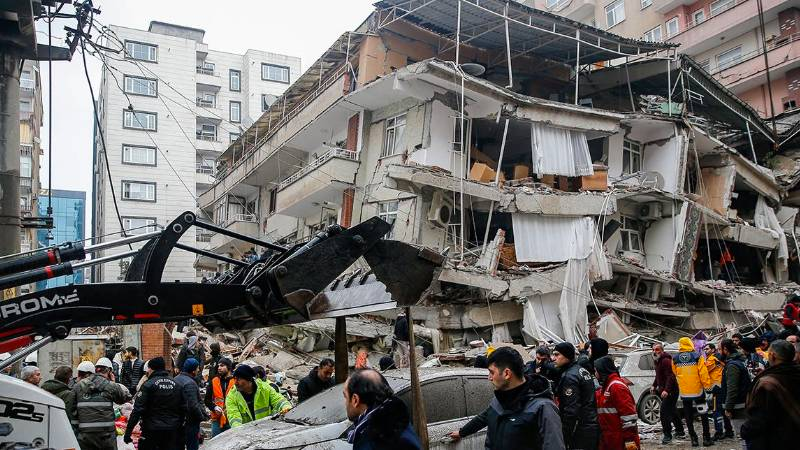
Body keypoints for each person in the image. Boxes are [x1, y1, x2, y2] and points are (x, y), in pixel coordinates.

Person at [449, 347, 564, 450]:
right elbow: (483, 418)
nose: (489, 378)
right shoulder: (500, 399)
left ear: (507, 373)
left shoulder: (543, 408)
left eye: (491, 372)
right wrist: (461, 432)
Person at [740, 340, 800, 450]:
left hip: (774, 440)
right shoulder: (794, 373)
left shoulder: (768, 383)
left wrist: (745, 430)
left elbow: (760, 418)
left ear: (772, 355)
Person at [344, 369, 422, 450]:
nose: (345, 403)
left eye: (345, 397)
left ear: (355, 400)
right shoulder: (396, 423)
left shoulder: (378, 439)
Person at [124, 357, 185, 449]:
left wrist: (128, 432)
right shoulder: (177, 385)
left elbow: (137, 410)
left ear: (151, 368)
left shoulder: (148, 385)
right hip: (173, 431)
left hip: (151, 431)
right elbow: (184, 408)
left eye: (148, 368)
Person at [70, 359, 130, 450]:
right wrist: (113, 383)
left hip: (85, 436)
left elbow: (72, 412)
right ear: (109, 371)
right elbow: (124, 398)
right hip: (106, 436)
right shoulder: (111, 386)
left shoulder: (78, 386)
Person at [552, 342, 599, 449]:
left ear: (567, 355)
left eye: (556, 354)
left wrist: (564, 434)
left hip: (580, 429)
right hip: (590, 425)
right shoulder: (581, 370)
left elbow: (571, 410)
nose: (553, 358)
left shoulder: (570, 376)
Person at [672, 337, 712, 447]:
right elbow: (703, 373)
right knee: (703, 414)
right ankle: (706, 438)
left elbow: (675, 373)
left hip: (685, 393)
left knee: (688, 416)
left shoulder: (675, 358)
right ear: (690, 344)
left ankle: (693, 439)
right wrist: (707, 386)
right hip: (698, 392)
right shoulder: (697, 356)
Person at [594, 356, 639, 450]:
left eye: (596, 371)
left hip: (620, 439)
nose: (595, 374)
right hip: (610, 438)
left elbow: (629, 416)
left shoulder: (616, 387)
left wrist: (629, 440)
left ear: (602, 371)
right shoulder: (607, 386)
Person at [225, 364, 291, 428]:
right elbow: (234, 417)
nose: (235, 383)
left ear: (249, 380)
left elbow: (279, 400)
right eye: (235, 379)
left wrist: (286, 407)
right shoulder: (232, 396)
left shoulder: (265, 389)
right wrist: (238, 430)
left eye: (238, 379)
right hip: (246, 433)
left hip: (266, 429)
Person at [651, 343, 684, 444]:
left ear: (662, 350)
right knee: (672, 410)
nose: (654, 352)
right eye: (653, 350)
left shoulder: (666, 360)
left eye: (657, 350)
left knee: (664, 412)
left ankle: (667, 435)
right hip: (665, 390)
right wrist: (654, 385)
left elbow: (671, 376)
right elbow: (659, 376)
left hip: (671, 390)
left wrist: (667, 390)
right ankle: (680, 431)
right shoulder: (658, 361)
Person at [718, 338, 749, 440]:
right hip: (742, 402)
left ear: (725, 349)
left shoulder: (732, 366)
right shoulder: (738, 361)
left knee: (743, 436)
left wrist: (728, 407)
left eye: (720, 349)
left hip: (738, 405)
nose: (719, 352)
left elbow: (732, 388)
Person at [175, 358, 208, 450]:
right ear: (193, 370)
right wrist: (202, 417)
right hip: (190, 422)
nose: (198, 370)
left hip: (178, 420)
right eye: (197, 368)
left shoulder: (175, 379)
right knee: (192, 445)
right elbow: (193, 405)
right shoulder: (190, 383)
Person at [205, 357, 235, 436]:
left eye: (222, 366)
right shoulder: (214, 381)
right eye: (218, 366)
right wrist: (214, 407)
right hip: (217, 419)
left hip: (232, 418)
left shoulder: (235, 381)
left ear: (228, 367)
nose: (219, 368)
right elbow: (207, 400)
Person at [702, 343, 724, 440]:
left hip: (716, 386)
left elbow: (704, 370)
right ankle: (728, 430)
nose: (705, 351)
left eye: (707, 349)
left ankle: (719, 432)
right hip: (721, 385)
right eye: (704, 349)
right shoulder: (719, 358)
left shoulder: (712, 359)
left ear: (713, 350)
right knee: (722, 409)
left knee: (716, 410)